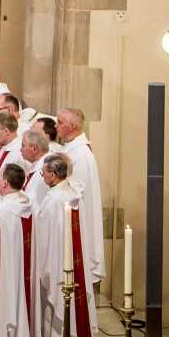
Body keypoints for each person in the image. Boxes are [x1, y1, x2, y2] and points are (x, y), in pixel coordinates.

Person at [32, 153, 97, 337]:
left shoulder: (54, 200)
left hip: (56, 262)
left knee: (56, 301)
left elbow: (43, 238)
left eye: (43, 172)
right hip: (74, 262)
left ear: (53, 175)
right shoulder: (73, 193)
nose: (42, 176)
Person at [0, 163, 35, 337]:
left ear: (6, 184)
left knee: (7, 309)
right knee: (19, 309)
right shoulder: (26, 203)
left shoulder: (3, 211)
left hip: (6, 270)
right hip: (23, 268)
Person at [57, 108, 105, 282]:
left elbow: (75, 193)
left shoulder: (81, 154)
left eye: (60, 122)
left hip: (75, 224)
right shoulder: (71, 148)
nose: (56, 126)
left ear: (72, 126)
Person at [19, 130, 51, 205]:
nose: (20, 149)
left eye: (23, 146)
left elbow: (31, 201)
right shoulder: (37, 164)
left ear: (34, 149)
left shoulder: (45, 170)